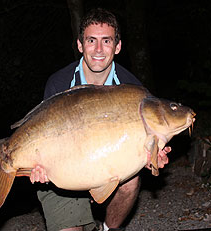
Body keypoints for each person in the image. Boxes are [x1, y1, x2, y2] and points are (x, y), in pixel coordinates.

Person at [30, 8, 170, 231]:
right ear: (79, 45)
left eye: (106, 41)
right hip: (67, 174)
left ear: (118, 46)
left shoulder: (131, 88)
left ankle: (108, 228)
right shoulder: (59, 83)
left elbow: (139, 144)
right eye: (91, 40)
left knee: (131, 181)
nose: (98, 49)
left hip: (106, 167)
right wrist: (40, 167)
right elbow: (45, 138)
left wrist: (152, 156)